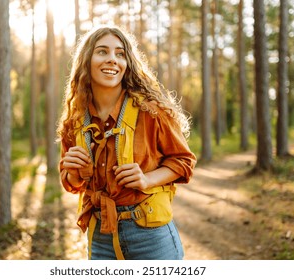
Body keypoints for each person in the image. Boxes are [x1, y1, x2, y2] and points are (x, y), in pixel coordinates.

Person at [57, 25, 196, 260]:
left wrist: (146, 179)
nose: (112, 59)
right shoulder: (75, 120)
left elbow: (184, 161)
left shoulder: (151, 111)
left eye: (120, 54)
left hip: (150, 235)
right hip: (100, 236)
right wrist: (72, 173)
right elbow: (70, 182)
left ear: (127, 63)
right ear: (86, 61)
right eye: (102, 51)